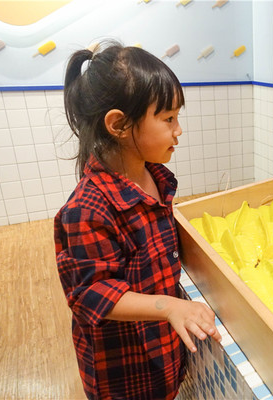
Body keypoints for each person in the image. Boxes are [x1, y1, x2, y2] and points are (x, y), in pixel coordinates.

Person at [54, 41, 221, 399]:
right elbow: (89, 293)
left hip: (160, 350)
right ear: (118, 124)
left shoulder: (155, 177)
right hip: (123, 372)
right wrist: (170, 305)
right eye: (168, 119)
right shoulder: (88, 208)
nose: (179, 130)